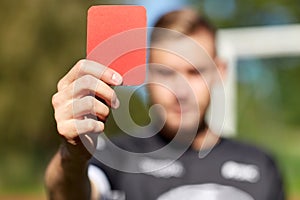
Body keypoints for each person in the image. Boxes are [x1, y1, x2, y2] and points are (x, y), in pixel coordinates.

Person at [45, 8, 285, 200]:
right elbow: (68, 195)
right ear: (148, 74)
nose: (181, 91)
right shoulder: (117, 158)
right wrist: (73, 155)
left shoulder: (261, 166)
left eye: (194, 73)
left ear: (219, 71)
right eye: (167, 73)